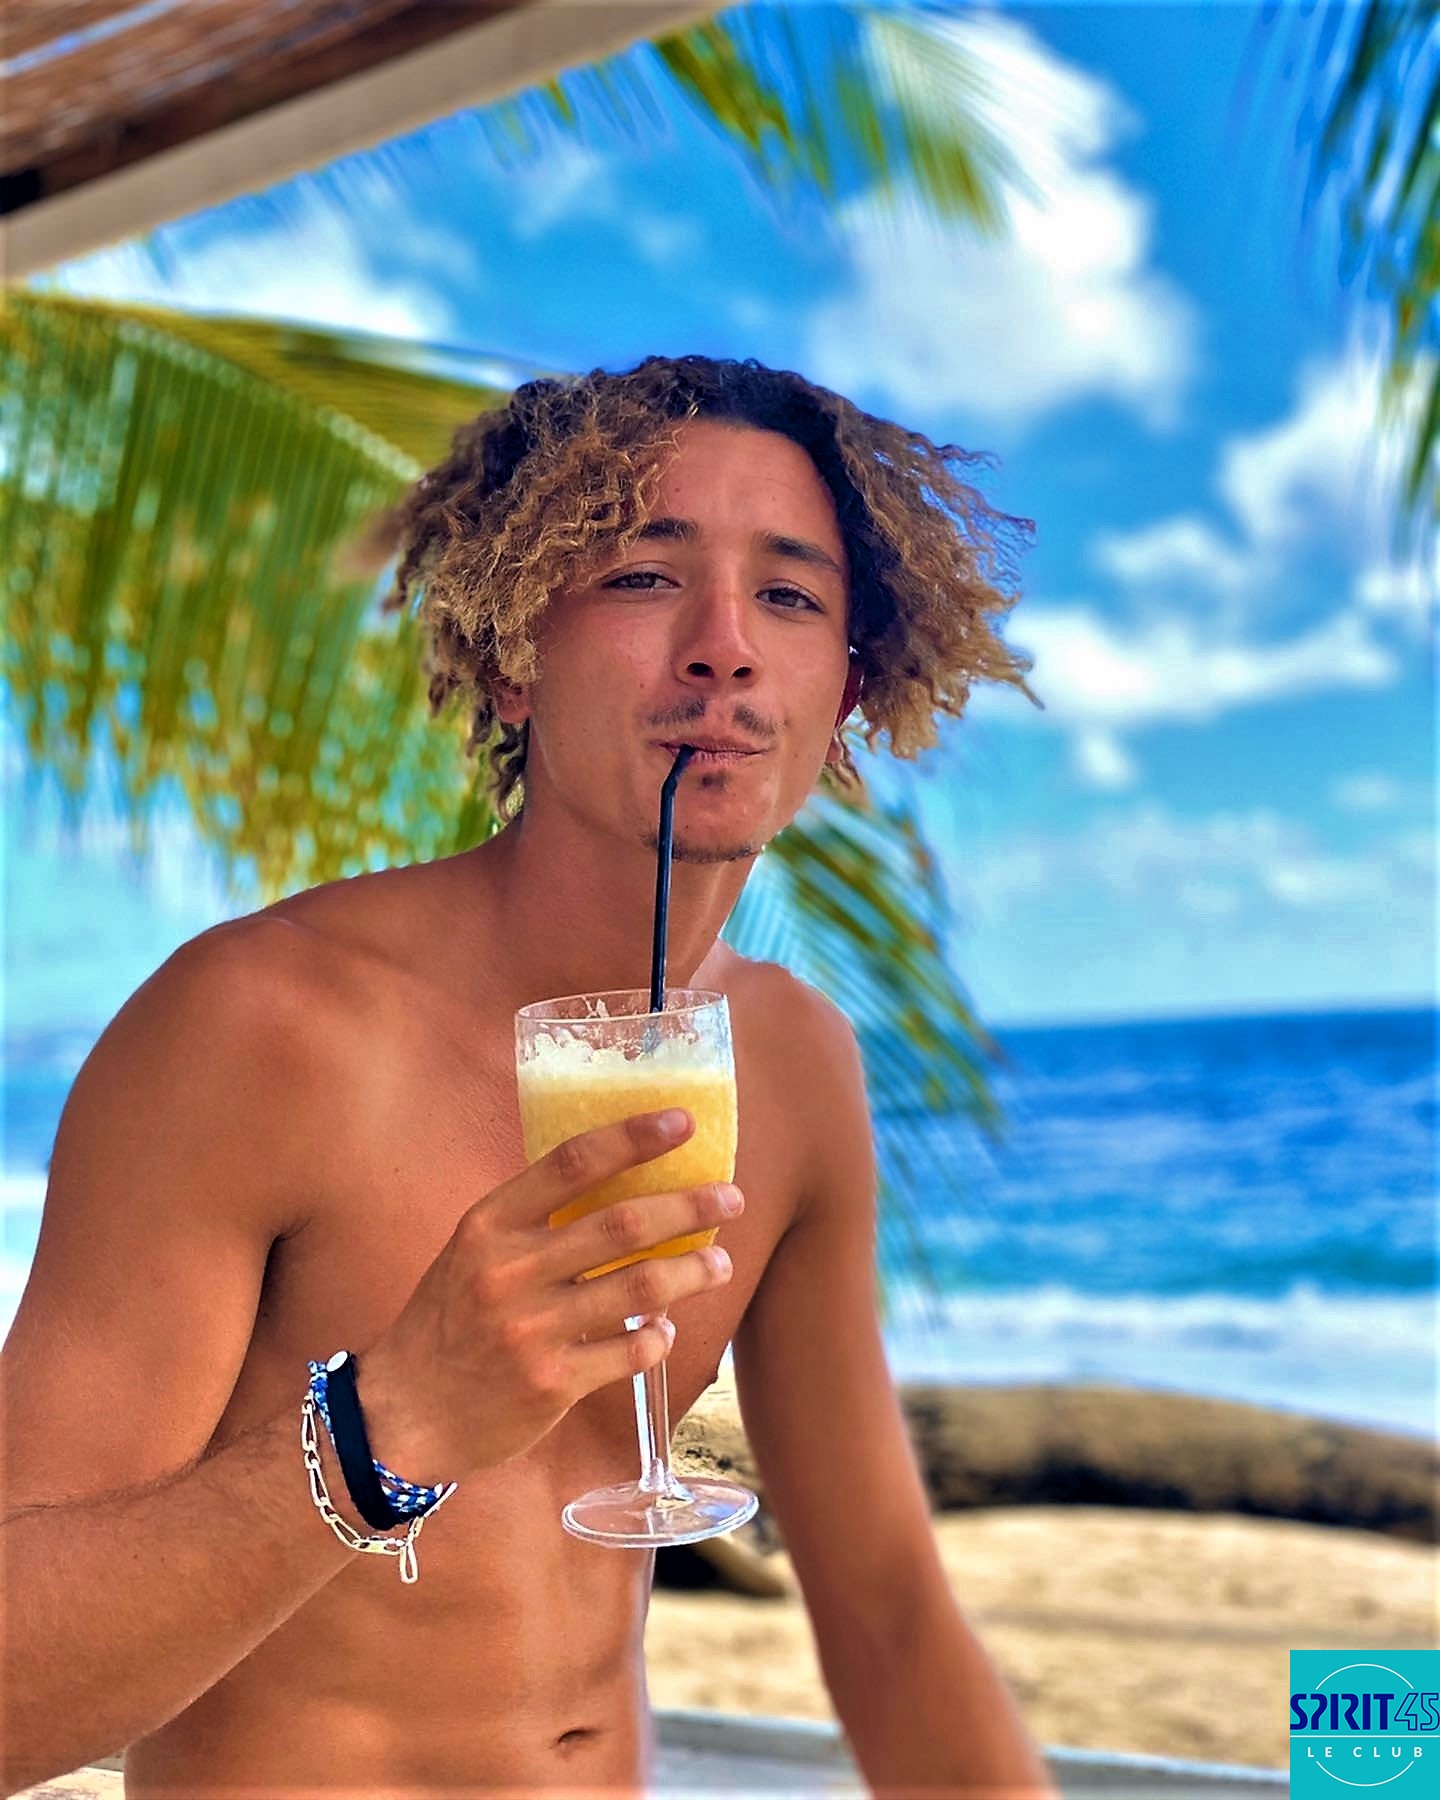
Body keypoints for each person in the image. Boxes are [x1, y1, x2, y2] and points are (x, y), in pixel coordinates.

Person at [1, 354, 1053, 1799]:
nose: (725, 649)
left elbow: (884, 1612)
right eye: (643, 578)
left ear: (849, 691)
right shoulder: (259, 1027)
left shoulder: (792, 1060)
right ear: (511, 652)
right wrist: (384, 1429)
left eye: (790, 598)